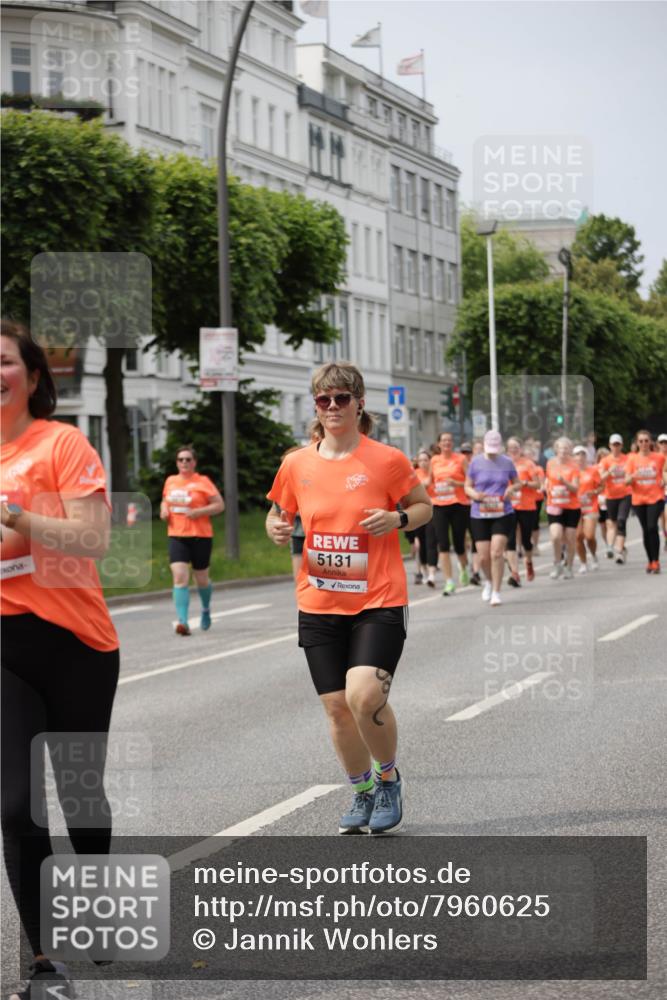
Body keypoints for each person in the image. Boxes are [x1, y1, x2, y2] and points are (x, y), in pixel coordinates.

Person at [1, 320, 119, 999]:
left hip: (75, 643)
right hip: (4, 647)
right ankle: (44, 961)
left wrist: (20, 520)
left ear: (34, 376)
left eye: (4, 361)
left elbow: (93, 539)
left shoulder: (62, 443)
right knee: (16, 807)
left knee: (79, 794)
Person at [266, 362, 431, 836]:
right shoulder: (297, 462)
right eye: (324, 400)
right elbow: (279, 514)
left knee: (365, 695)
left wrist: (397, 521)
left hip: (377, 597)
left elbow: (424, 507)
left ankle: (387, 778)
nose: (333, 407)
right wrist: (276, 528)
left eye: (342, 398)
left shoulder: (388, 460)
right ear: (316, 406)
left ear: (360, 402)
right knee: (337, 706)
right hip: (318, 601)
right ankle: (361, 792)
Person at [160, 446, 224, 635]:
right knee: (180, 577)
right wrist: (163, 510)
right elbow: (165, 501)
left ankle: (205, 609)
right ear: (177, 463)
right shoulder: (171, 481)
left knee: (201, 579)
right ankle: (183, 621)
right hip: (177, 535)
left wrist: (199, 512)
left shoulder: (203, 482)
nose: (184, 463)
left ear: (194, 462)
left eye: (188, 459)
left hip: (200, 536)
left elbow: (220, 505)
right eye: (181, 459)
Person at [464, 429, 518, 607]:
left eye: (495, 448)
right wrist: (475, 494)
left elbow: (517, 482)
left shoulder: (507, 462)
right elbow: (467, 486)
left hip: (502, 511)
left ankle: (496, 591)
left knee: (496, 553)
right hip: (480, 512)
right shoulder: (475, 462)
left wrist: (511, 489)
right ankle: (488, 580)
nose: (492, 452)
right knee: (484, 556)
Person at [429, 432, 470, 595]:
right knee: (443, 544)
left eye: (449, 440)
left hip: (458, 504)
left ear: (452, 443)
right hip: (439, 505)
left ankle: (464, 568)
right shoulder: (434, 460)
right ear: (439, 444)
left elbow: (469, 481)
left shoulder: (461, 459)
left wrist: (456, 483)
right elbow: (430, 481)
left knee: (459, 543)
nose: (447, 442)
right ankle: (449, 581)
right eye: (443, 440)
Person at [625, 430, 666, 573]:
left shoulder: (659, 458)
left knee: (652, 527)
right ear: (637, 443)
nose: (644, 444)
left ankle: (656, 561)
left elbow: (665, 472)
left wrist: (664, 480)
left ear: (651, 442)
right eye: (641, 441)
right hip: (639, 499)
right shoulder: (632, 459)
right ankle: (650, 561)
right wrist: (633, 476)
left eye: (646, 441)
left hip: (656, 497)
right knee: (645, 530)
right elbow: (626, 481)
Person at [506, 437, 542, 583]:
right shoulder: (504, 464)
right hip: (509, 507)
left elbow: (538, 485)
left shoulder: (528, 464)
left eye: (516, 447)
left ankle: (528, 562)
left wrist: (525, 483)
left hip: (527, 506)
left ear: (520, 449)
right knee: (510, 540)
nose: (514, 450)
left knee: (526, 540)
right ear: (507, 450)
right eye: (511, 447)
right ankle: (515, 573)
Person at [545, 437, 581, 579]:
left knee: (571, 537)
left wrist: (564, 482)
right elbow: (548, 479)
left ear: (570, 451)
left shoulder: (574, 466)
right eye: (561, 449)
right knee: (555, 536)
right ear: (556, 450)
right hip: (554, 505)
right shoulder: (550, 463)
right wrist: (545, 486)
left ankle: (569, 566)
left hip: (571, 506)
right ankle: (557, 563)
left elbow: (576, 488)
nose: (564, 451)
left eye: (566, 449)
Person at [598, 434, 631, 564]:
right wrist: (609, 471)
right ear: (610, 446)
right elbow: (601, 478)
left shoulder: (627, 459)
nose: (616, 447)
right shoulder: (605, 461)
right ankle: (611, 547)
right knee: (612, 523)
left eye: (618, 444)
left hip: (625, 494)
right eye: (613, 445)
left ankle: (619, 552)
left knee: (621, 521)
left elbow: (631, 474)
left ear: (622, 446)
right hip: (611, 495)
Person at [408, 450, 438, 586]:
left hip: (433, 511)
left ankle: (431, 573)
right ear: (417, 463)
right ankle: (424, 570)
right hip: (419, 512)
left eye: (426, 460)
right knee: (421, 543)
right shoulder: (414, 475)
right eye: (421, 460)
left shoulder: (436, 473)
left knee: (431, 542)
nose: (423, 463)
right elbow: (422, 484)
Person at [573, 445, 601, 572]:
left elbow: (602, 486)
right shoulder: (571, 472)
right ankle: (583, 563)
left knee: (589, 536)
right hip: (575, 508)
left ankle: (594, 556)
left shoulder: (593, 471)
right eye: (577, 455)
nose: (580, 458)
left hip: (590, 507)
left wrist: (594, 491)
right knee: (578, 536)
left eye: (582, 455)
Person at [658, 433, 667, 552]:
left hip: (666, 490)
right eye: (662, 443)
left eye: (666, 442)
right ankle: (665, 538)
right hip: (657, 491)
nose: (664, 445)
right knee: (662, 518)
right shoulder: (655, 457)